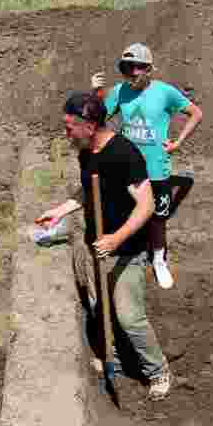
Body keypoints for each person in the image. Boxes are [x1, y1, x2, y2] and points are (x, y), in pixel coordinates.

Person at [36, 90, 171, 401]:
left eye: (70, 126)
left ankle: (157, 370)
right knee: (101, 308)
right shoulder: (86, 151)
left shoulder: (124, 154)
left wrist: (117, 238)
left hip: (125, 251)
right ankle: (117, 360)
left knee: (130, 317)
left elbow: (147, 205)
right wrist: (59, 211)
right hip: (96, 245)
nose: (66, 132)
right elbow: (89, 191)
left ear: (91, 124)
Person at [91, 43, 203, 289]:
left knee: (158, 219)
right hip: (128, 169)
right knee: (129, 211)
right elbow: (99, 117)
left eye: (137, 68)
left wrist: (178, 142)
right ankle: (133, 253)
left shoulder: (165, 92)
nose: (132, 73)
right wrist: (98, 92)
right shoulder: (120, 92)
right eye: (126, 68)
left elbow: (195, 113)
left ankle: (159, 259)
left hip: (156, 169)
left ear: (149, 69)